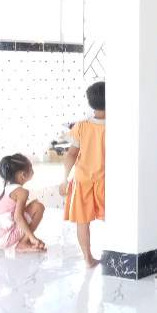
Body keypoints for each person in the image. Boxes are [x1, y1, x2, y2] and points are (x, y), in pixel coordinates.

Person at [61, 81, 106, 268]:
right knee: (115, 217)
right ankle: (116, 253)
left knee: (82, 221)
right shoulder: (118, 125)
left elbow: (71, 154)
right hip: (107, 180)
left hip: (82, 179)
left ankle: (88, 258)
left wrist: (64, 179)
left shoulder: (81, 126)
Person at [0, 154, 45, 253]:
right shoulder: (21, 192)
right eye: (31, 168)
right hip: (5, 239)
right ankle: (23, 242)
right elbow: (18, 217)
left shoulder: (3, 188)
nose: (33, 171)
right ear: (23, 175)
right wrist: (32, 237)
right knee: (38, 207)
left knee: (31, 206)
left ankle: (21, 240)